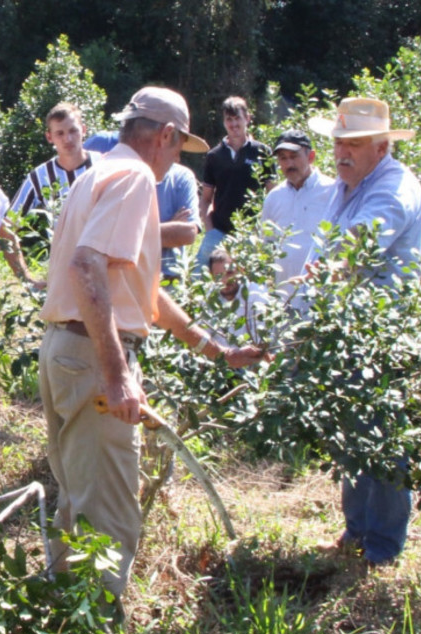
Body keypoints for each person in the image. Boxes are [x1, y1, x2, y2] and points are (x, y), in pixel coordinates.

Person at [38, 86, 268, 607]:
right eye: (178, 147)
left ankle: (59, 616)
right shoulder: (136, 178)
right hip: (93, 358)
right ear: (165, 136)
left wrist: (214, 347)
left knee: (79, 501)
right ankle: (93, 627)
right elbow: (87, 266)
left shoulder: (96, 174)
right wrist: (118, 376)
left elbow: (139, 288)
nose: (174, 162)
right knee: (112, 517)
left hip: (66, 351)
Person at [307, 97, 421, 566]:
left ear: (380, 147)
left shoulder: (391, 189)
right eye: (338, 143)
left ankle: (382, 549)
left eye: (352, 144)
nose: (341, 152)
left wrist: (329, 269)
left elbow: (357, 244)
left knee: (382, 438)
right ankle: (357, 533)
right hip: (352, 330)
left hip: (381, 335)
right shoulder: (352, 184)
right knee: (354, 432)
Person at [85, 130, 200, 280]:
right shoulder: (118, 178)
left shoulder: (182, 178)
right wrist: (170, 227)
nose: (178, 158)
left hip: (169, 277)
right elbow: (101, 239)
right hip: (123, 276)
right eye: (176, 150)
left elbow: (187, 233)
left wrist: (128, 234)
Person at [196, 96, 272, 267]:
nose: (233, 124)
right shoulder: (214, 156)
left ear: (248, 119)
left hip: (251, 234)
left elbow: (273, 195)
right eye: (229, 119)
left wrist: (263, 230)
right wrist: (210, 231)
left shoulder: (262, 151)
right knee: (198, 278)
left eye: (237, 118)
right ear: (223, 122)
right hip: (220, 231)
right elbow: (206, 199)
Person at [8, 102, 99, 237]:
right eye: (60, 133)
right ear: (49, 137)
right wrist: (18, 257)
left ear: (84, 130)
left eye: (73, 131)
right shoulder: (40, 177)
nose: (67, 139)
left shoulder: (104, 165)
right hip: (62, 255)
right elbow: (9, 224)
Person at [261, 129, 334, 286]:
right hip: (285, 296)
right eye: (283, 158)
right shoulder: (274, 198)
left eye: (294, 157)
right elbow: (266, 245)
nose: (289, 164)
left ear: (311, 157)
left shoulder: (332, 192)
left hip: (322, 298)